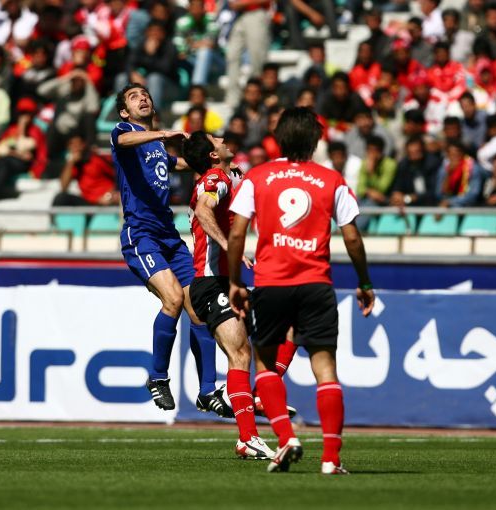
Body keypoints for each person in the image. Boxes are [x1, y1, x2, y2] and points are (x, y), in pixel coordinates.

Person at [227, 107, 375, 475]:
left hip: (271, 284)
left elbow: (237, 232)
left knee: (265, 365)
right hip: (316, 284)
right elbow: (352, 238)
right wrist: (364, 282)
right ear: (316, 141)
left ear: (278, 139)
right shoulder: (332, 179)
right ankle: (331, 459)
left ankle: (285, 437)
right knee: (325, 369)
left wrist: (234, 282)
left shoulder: (257, 177)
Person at [110, 83, 228, 415]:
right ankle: (158, 377)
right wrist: (164, 133)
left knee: (198, 309)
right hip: (141, 234)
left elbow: (183, 163)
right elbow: (123, 142)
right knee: (173, 299)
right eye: (134, 97)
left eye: (145, 94)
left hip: (169, 236)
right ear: (124, 112)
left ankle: (207, 390)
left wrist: (218, 163)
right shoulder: (125, 132)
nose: (143, 98)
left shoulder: (158, 147)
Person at [181, 131, 275, 459]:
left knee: (285, 328)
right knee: (239, 353)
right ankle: (247, 437)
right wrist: (228, 246)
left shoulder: (231, 175)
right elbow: (204, 210)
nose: (223, 138)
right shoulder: (215, 178)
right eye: (215, 139)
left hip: (229, 280)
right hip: (212, 282)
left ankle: (255, 398)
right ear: (212, 155)